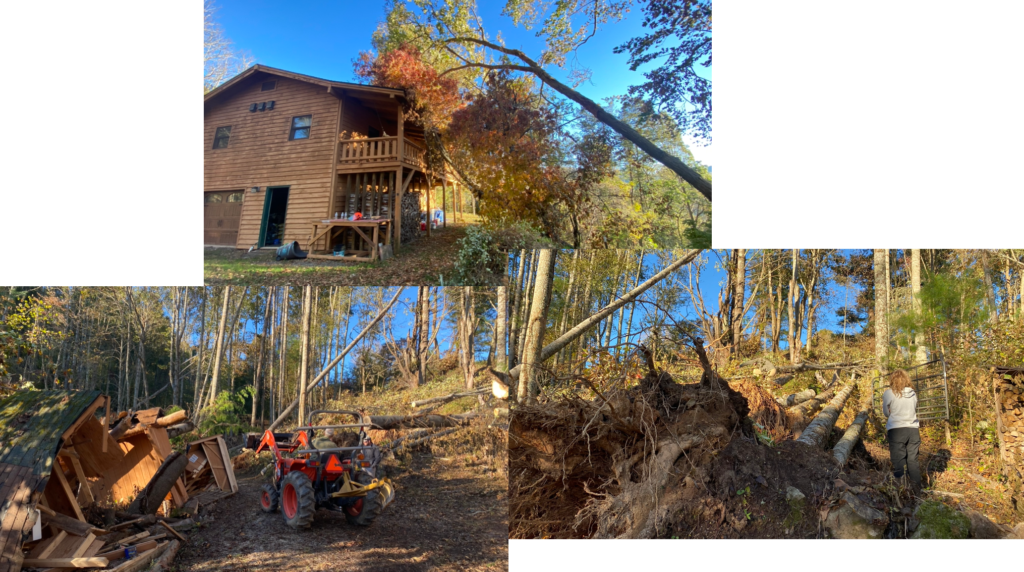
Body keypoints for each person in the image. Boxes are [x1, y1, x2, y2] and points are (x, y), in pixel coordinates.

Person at [882, 369, 921, 489]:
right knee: (913, 461)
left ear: (892, 380)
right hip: (913, 430)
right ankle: (916, 490)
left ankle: (901, 491)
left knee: (898, 462)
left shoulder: (888, 393)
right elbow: (913, 408)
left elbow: (886, 413)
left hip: (896, 429)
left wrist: (891, 411)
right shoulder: (913, 393)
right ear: (906, 379)